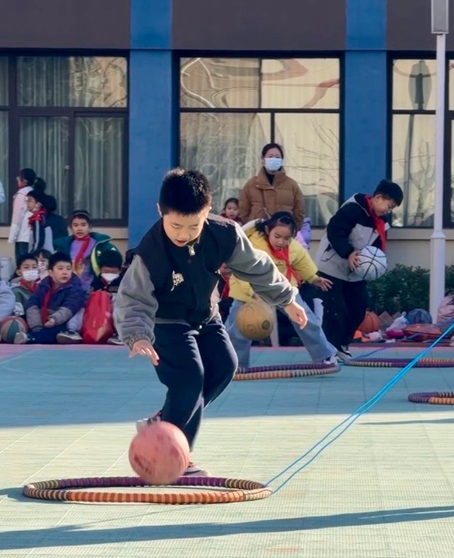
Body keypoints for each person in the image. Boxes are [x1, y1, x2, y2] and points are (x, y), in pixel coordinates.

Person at [114, 168, 306, 477]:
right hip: (166, 321)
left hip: (206, 313)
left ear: (208, 212)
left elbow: (256, 266)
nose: (183, 234)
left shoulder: (224, 233)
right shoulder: (151, 253)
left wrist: (287, 299)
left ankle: (164, 421)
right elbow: (132, 298)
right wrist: (138, 335)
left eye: (194, 225)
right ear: (160, 211)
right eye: (176, 225)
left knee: (225, 366)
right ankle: (177, 456)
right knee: (189, 379)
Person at [227, 211, 336, 369]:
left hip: (281, 289)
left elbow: (302, 262)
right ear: (267, 230)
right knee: (237, 327)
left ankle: (324, 356)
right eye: (277, 236)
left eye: (286, 238)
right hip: (248, 290)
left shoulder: (293, 247)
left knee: (305, 319)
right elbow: (242, 271)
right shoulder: (252, 245)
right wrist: (253, 292)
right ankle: (236, 365)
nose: (281, 242)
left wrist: (313, 278)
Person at [315, 180, 403, 360]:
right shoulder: (352, 209)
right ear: (378, 198)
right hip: (331, 268)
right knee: (335, 309)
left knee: (359, 307)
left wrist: (376, 267)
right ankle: (328, 349)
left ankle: (341, 344)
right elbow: (335, 231)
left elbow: (376, 249)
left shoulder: (381, 222)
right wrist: (348, 253)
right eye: (389, 206)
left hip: (355, 272)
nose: (389, 211)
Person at [21, 252, 85, 345]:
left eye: (68, 269)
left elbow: (70, 307)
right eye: (60, 268)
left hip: (64, 321)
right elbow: (32, 304)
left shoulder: (75, 287)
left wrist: (54, 319)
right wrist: (36, 327)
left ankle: (31, 338)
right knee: (18, 322)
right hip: (43, 320)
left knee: (54, 332)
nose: (65, 272)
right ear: (50, 272)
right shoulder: (43, 285)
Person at [237, 143, 306, 224]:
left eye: (277, 157)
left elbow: (299, 211)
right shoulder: (252, 184)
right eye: (270, 156)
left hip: (283, 231)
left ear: (281, 160)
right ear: (263, 159)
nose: (274, 159)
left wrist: (292, 228)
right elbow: (243, 210)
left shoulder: (292, 185)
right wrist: (252, 226)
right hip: (257, 231)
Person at [52, 210, 120, 290]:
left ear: (90, 226)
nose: (79, 228)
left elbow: (115, 260)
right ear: (71, 227)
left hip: (93, 287)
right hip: (69, 287)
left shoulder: (100, 244)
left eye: (83, 225)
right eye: (75, 225)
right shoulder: (63, 245)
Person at [8, 169, 46, 261]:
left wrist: (12, 238)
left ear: (24, 181)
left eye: (19, 177)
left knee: (22, 263)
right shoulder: (34, 192)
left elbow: (17, 218)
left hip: (22, 236)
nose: (17, 178)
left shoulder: (21, 194)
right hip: (32, 236)